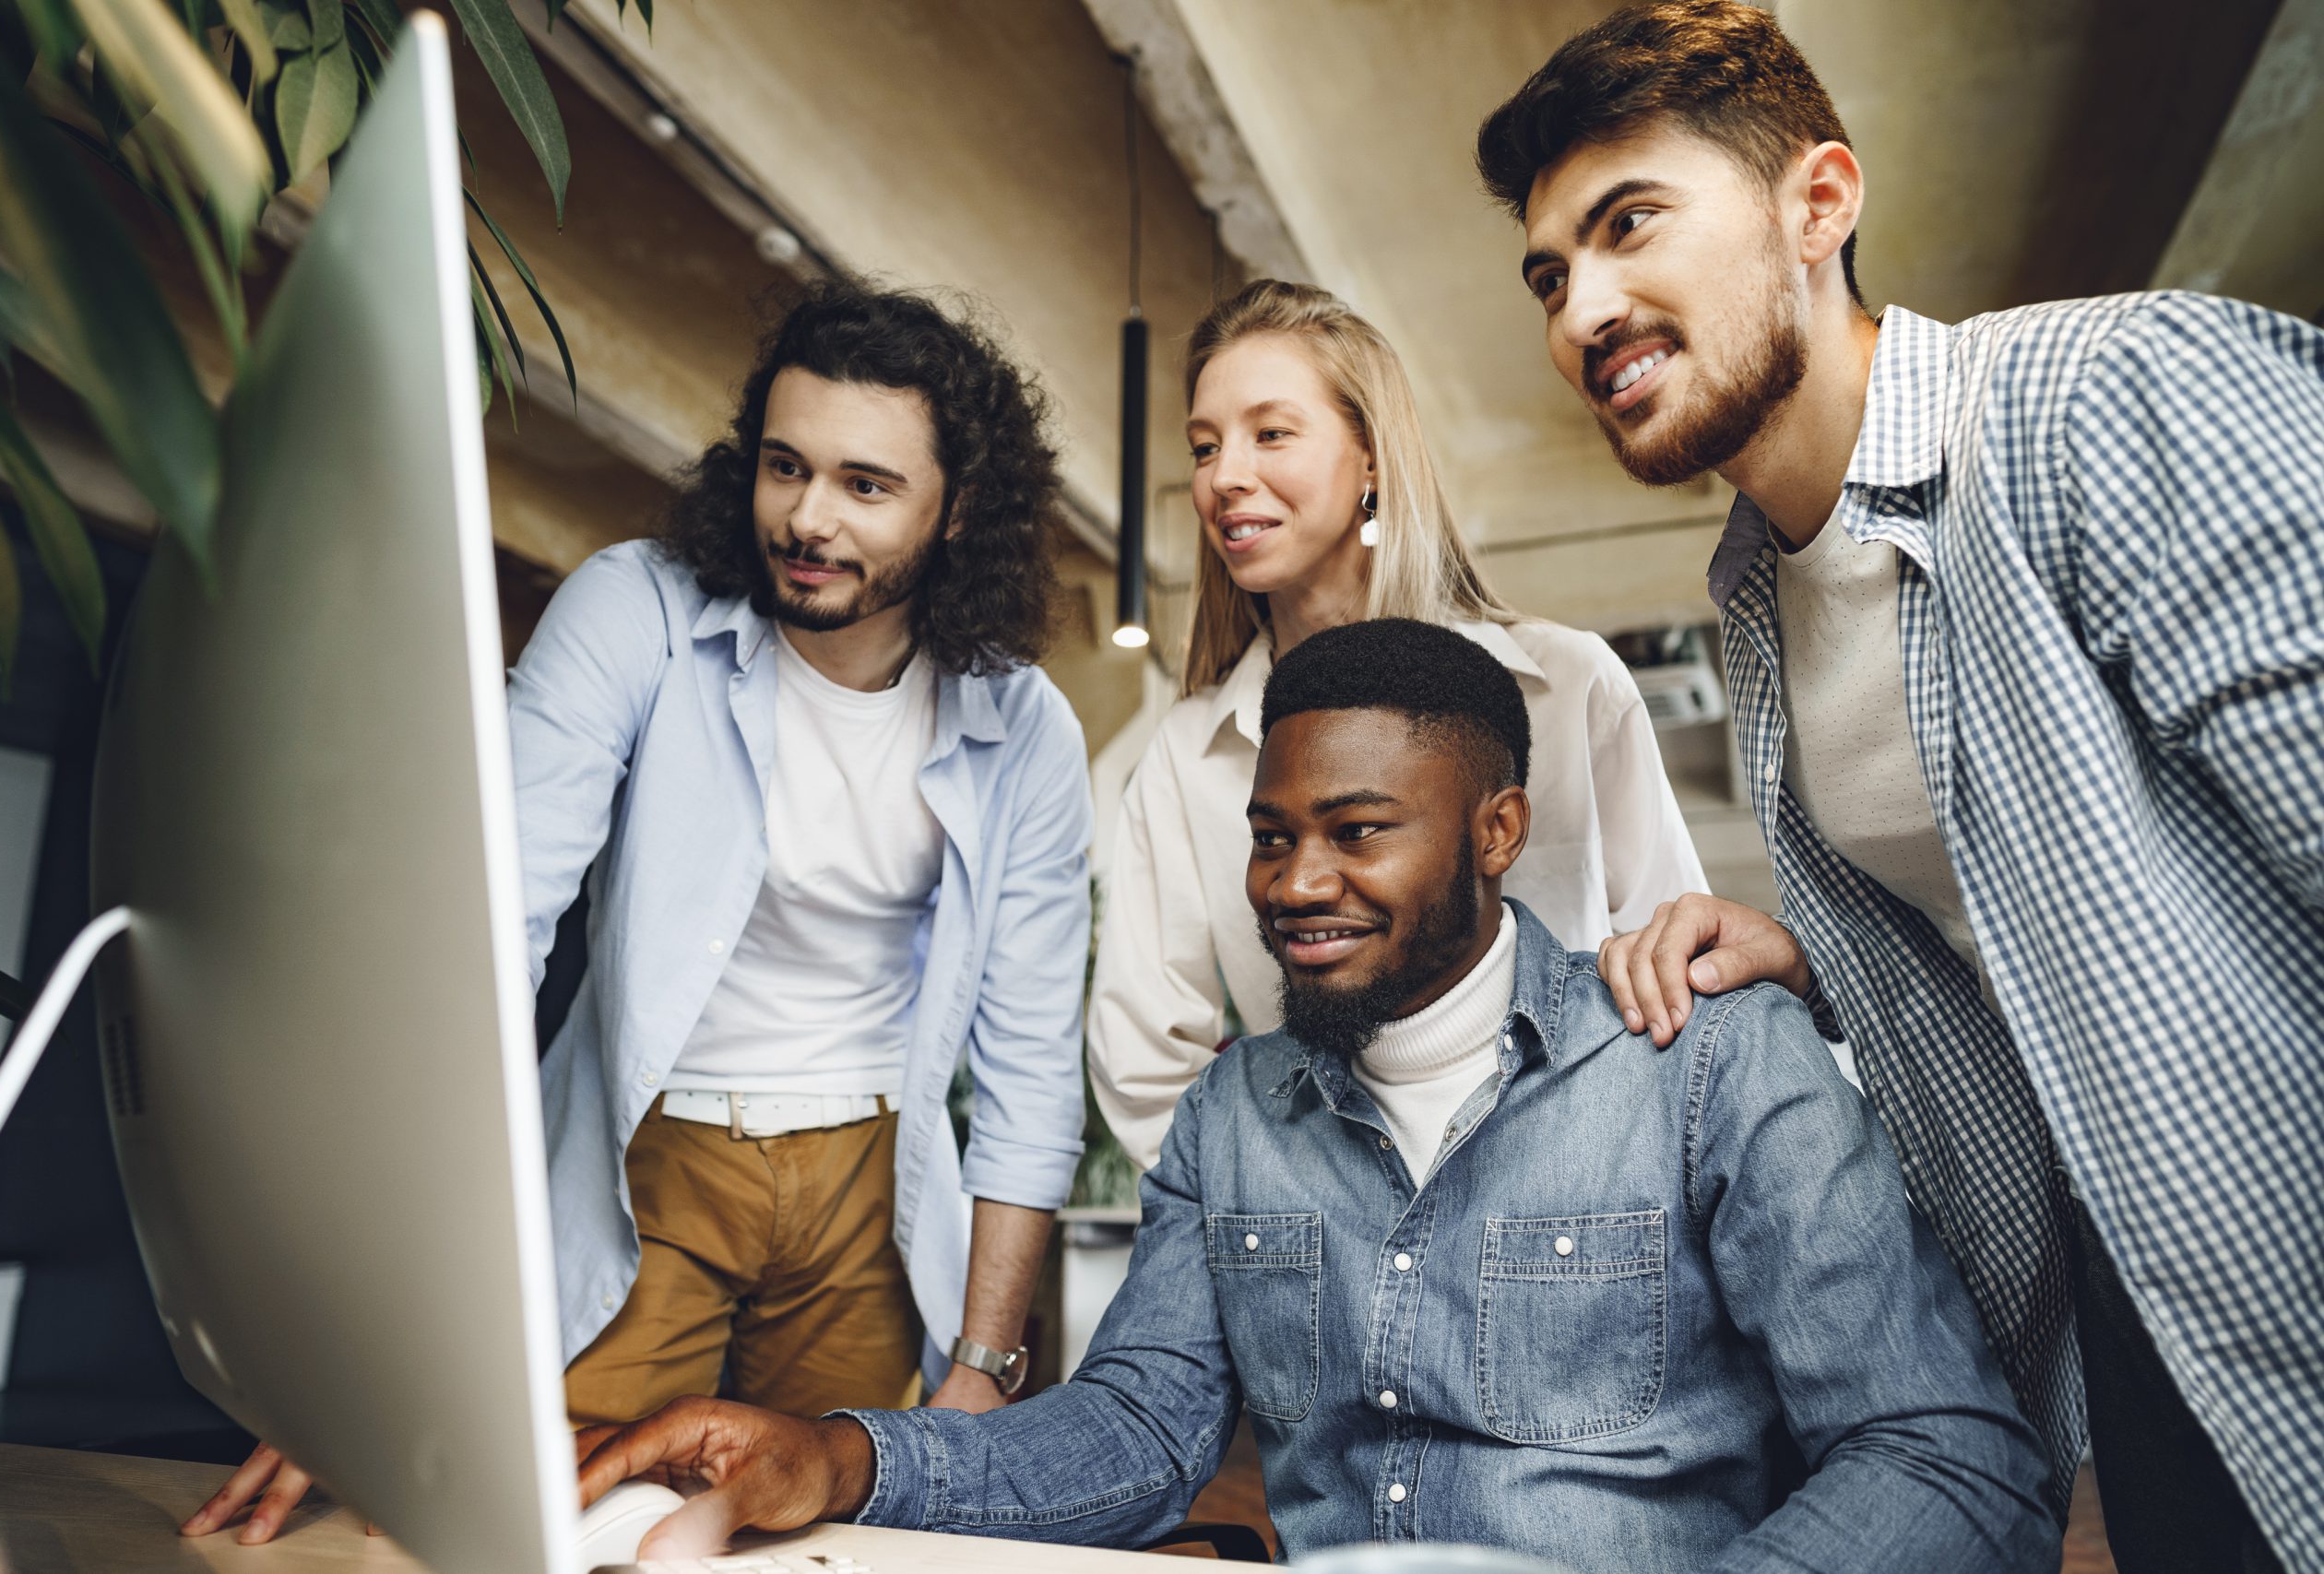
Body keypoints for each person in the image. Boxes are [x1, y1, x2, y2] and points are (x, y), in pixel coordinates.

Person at [570, 619, 2059, 1572]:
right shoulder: (1234, 1118)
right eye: (1273, 836)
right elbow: (1143, 1434)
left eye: (1356, 832)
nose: (1294, 884)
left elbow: (1951, 1457)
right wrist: (838, 1453)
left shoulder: (1712, 1059)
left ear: (1497, 831)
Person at [1474, 6, 2324, 1569]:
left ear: (1820, 204)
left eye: (1628, 222)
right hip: (2142, 1315)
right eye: (1549, 273)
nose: (1581, 307)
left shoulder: (2108, 397)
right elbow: (2041, 924)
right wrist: (1825, 966)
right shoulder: (1757, 594)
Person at [182, 280, 1094, 1544]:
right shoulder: (639, 610)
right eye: (785, 466)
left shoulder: (1026, 727)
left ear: (961, 508)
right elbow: (490, 933)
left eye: (865, 485)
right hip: (648, 1160)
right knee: (543, 1515)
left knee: (826, 1537)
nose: (809, 517)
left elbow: (1031, 1064)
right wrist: (372, 1322)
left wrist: (986, 1360)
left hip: (869, 1196)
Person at [1088, 279, 1705, 1172]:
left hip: (1580, 1206)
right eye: (1204, 446)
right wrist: (1285, 1212)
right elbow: (1147, 1066)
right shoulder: (1189, 757)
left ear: (1370, 460)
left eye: (1271, 433)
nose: (1224, 476)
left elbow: (1670, 962)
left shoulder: (1566, 691)